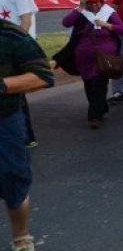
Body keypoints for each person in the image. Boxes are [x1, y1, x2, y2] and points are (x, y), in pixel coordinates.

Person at [0, 18, 54, 251]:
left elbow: (43, 76)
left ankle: (21, 238)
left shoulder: (11, 36)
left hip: (4, 119)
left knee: (13, 179)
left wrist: (1, 85)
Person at [62, 0, 123, 128]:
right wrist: (80, 8)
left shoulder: (108, 12)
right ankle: (100, 106)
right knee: (89, 84)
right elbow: (66, 23)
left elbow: (122, 29)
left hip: (104, 56)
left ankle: (94, 116)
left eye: (96, 1)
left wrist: (107, 25)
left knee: (99, 84)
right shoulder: (80, 12)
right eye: (90, 2)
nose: (94, 5)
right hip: (84, 57)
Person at [0, 0, 39, 147]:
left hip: (17, 50)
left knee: (14, 92)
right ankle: (23, 136)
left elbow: (26, 20)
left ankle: (26, 136)